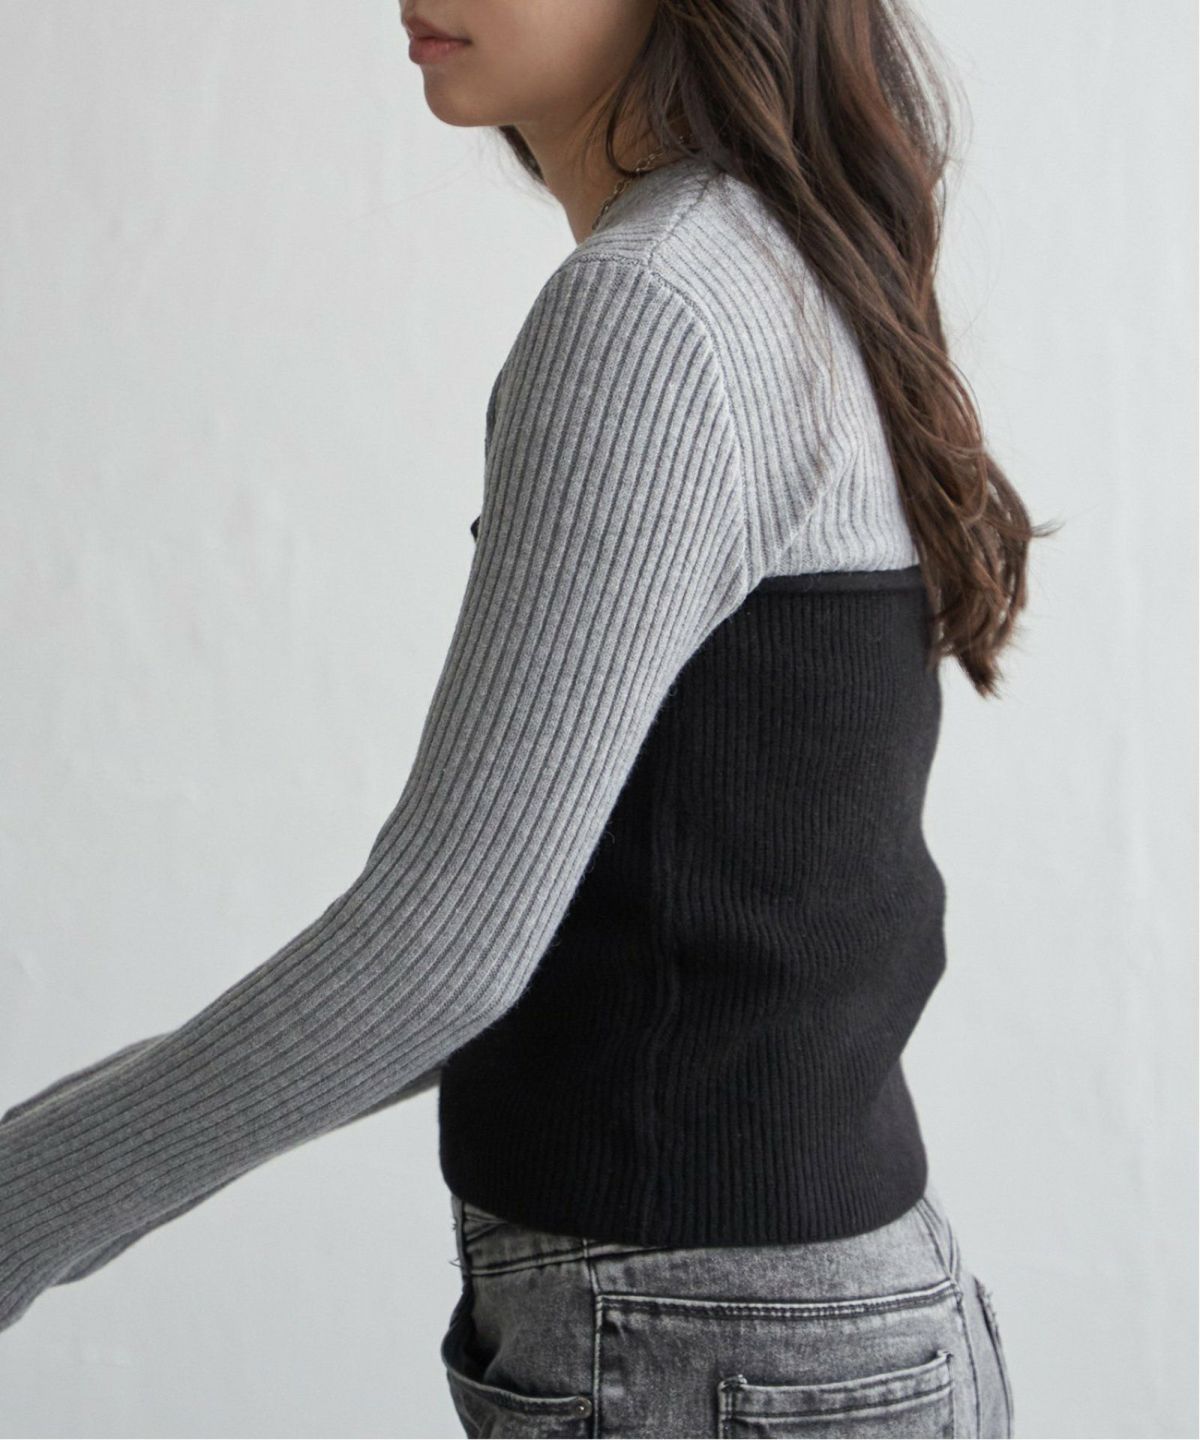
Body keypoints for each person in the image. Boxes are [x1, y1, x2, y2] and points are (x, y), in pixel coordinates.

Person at [0, 0, 1055, 1433]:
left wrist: (20, 1205)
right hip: (799, 1335)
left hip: (712, 1345)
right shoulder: (767, 265)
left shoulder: (656, 309)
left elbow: (441, 952)